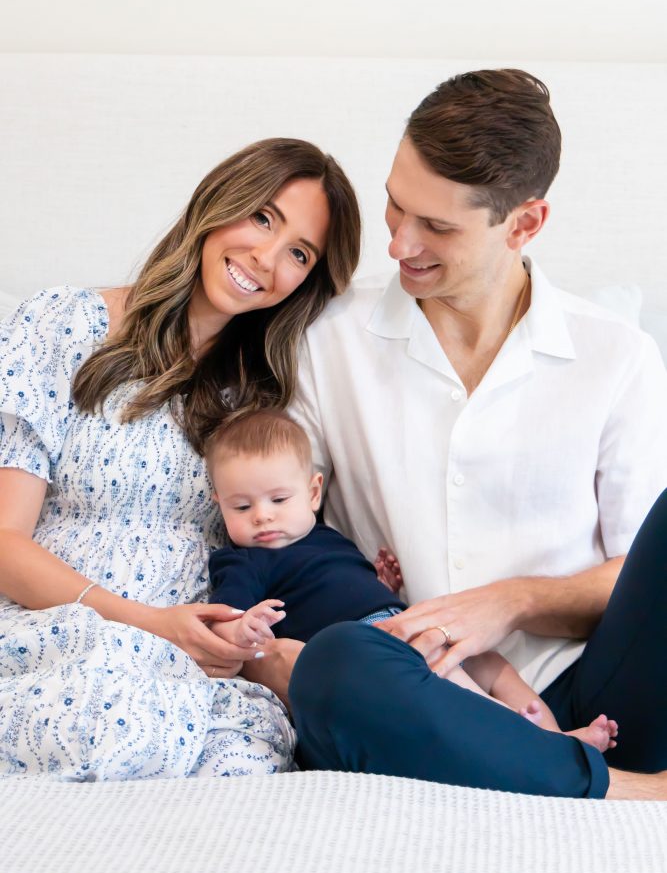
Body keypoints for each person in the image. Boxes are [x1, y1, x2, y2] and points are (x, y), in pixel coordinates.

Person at [278, 69, 667, 799]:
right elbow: (280, 529)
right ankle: (626, 794)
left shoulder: (616, 355)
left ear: (523, 224)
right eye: (394, 207)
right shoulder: (325, 340)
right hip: (418, 695)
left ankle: (569, 767)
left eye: (436, 227)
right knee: (331, 666)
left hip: (591, 694)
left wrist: (509, 602)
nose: (396, 244)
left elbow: (635, 577)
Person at [0, 137, 361, 780]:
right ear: (221, 201)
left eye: (299, 253)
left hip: (200, 664)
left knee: (253, 760)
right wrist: (148, 624)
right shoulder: (65, 323)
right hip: (67, 631)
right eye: (263, 217)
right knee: (115, 721)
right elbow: (3, 541)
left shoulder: (264, 397)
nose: (266, 257)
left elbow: (291, 539)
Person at [206, 409, 618, 754]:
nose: (263, 516)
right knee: (446, 678)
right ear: (219, 504)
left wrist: (384, 586)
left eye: (279, 500)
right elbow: (222, 618)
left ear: (314, 493)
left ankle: (555, 737)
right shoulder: (244, 561)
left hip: (405, 622)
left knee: (489, 663)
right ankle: (536, 749)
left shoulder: (327, 536)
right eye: (242, 506)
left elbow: (346, 589)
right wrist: (245, 625)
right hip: (364, 652)